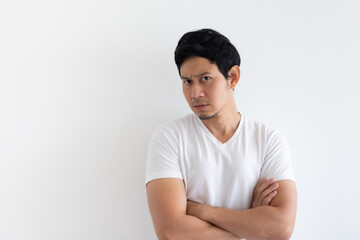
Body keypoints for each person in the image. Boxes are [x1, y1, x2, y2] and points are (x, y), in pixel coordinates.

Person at [145, 28, 297, 240]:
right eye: (187, 81)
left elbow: (280, 229)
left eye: (205, 78)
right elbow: (171, 232)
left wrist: (201, 210)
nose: (195, 93)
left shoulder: (268, 140)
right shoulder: (170, 138)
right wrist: (250, 225)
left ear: (232, 77)